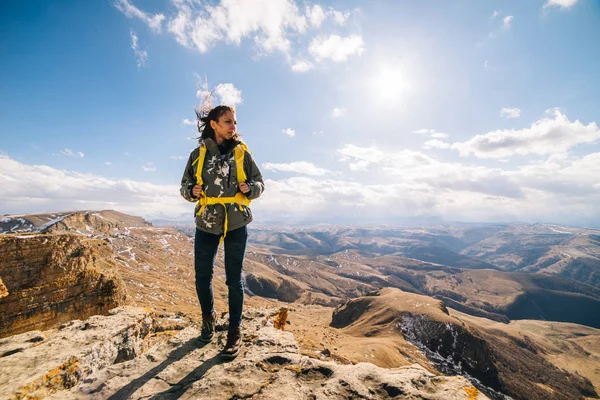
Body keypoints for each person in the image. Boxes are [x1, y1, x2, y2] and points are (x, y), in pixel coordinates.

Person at [180, 104, 264, 359]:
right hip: (206, 222)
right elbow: (184, 186)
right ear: (214, 124)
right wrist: (190, 192)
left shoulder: (242, 153)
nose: (233, 127)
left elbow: (260, 183)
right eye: (228, 121)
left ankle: (234, 332)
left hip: (237, 222)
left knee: (233, 279)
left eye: (235, 122)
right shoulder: (197, 155)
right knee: (202, 276)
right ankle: (208, 322)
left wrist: (250, 189)